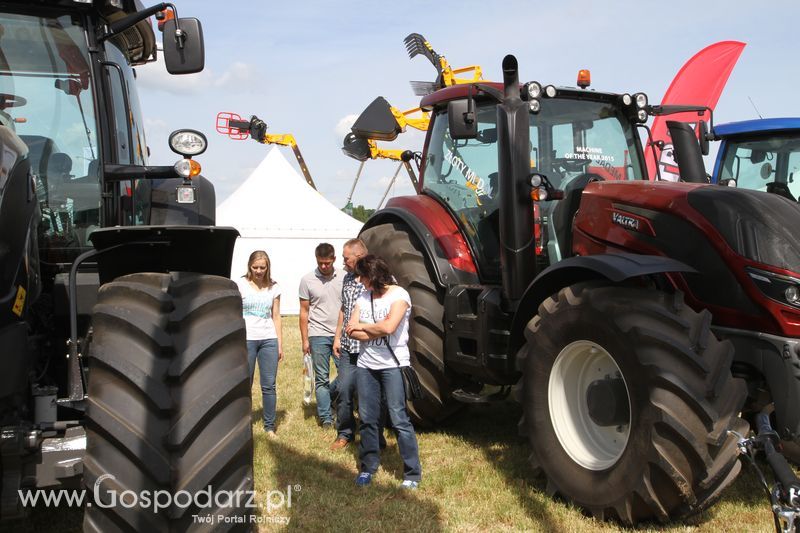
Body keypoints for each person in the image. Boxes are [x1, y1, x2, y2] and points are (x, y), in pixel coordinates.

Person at [346, 255, 421, 489]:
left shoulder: (399, 295)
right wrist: (372, 329)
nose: (359, 281)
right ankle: (368, 467)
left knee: (399, 419)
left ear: (374, 275)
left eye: (363, 276)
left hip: (393, 365)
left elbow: (390, 327)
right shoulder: (363, 296)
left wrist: (364, 328)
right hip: (366, 365)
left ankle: (412, 474)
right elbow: (350, 329)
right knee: (368, 419)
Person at [236, 250, 283, 437]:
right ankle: (241, 423)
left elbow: (277, 316)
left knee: (269, 385)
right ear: (249, 266)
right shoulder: (240, 285)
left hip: (268, 339)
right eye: (255, 267)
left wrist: (279, 343)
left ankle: (269, 426)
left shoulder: (274, 287)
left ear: (267, 267)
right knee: (244, 383)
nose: (258, 271)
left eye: (262, 267)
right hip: (246, 339)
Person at [299, 242, 344, 429]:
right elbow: (303, 312)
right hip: (317, 334)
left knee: (347, 375)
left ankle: (333, 399)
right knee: (321, 378)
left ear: (334, 259)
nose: (324, 266)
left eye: (327, 263)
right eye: (320, 263)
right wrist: (304, 339)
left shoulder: (345, 276)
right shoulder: (307, 280)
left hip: (341, 334)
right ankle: (326, 418)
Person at [331, 238, 368, 450]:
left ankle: (372, 435)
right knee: (344, 390)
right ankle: (345, 433)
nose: (343, 262)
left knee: (368, 394)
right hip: (347, 346)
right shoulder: (346, 278)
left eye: (346, 258)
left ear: (359, 257)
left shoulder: (378, 277)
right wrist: (337, 337)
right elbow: (344, 309)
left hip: (367, 348)